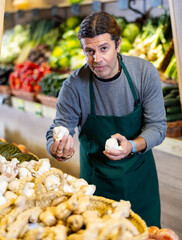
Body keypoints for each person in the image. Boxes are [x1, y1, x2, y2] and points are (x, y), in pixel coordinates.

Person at [46, 11, 167, 227]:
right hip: (96, 185)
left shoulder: (144, 73)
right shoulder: (74, 85)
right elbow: (58, 128)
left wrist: (131, 146)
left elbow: (157, 127)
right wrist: (57, 148)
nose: (97, 59)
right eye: (89, 51)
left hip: (140, 181)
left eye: (104, 49)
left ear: (118, 44)